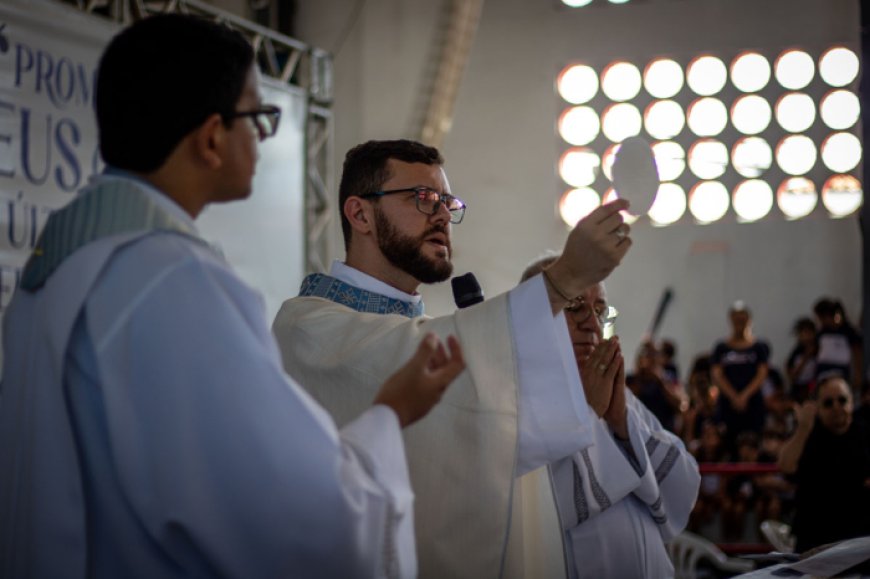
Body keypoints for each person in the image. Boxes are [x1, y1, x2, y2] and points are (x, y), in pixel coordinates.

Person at [0, 15, 467, 579]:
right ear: (212, 137)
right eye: (258, 117)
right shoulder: (176, 280)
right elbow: (289, 513)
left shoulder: (60, 262)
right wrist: (392, 413)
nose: (264, 137)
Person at [272, 140, 632, 578]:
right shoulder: (306, 328)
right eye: (422, 199)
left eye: (447, 201)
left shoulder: (423, 330)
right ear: (360, 213)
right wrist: (564, 279)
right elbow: (396, 355)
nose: (443, 215)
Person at [518, 255, 700, 578]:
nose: (592, 323)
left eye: (599, 309)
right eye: (574, 305)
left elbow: (683, 483)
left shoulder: (622, 398)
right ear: (529, 320)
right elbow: (537, 515)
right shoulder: (516, 402)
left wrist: (621, 425)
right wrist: (587, 412)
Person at [778, 375, 870, 552]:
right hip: (815, 538)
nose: (837, 407)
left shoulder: (864, 432)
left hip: (859, 537)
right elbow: (785, 465)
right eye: (828, 403)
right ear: (817, 408)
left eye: (842, 400)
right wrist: (803, 427)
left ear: (852, 402)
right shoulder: (809, 434)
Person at [710, 302, 770, 454]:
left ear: (749, 320)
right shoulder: (721, 347)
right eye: (736, 320)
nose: (739, 324)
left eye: (743, 320)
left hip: (752, 404)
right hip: (728, 405)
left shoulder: (758, 347)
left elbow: (761, 373)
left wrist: (744, 396)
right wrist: (734, 396)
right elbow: (717, 374)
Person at [813, 298, 863, 394]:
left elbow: (857, 352)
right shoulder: (822, 332)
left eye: (821, 318)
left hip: (841, 371)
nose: (820, 321)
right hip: (823, 372)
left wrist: (858, 373)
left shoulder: (848, 331)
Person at [785, 317, 817, 403]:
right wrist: (805, 358)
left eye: (809, 332)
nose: (807, 336)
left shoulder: (820, 351)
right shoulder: (796, 353)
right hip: (799, 391)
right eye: (803, 332)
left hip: (815, 390)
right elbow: (792, 376)